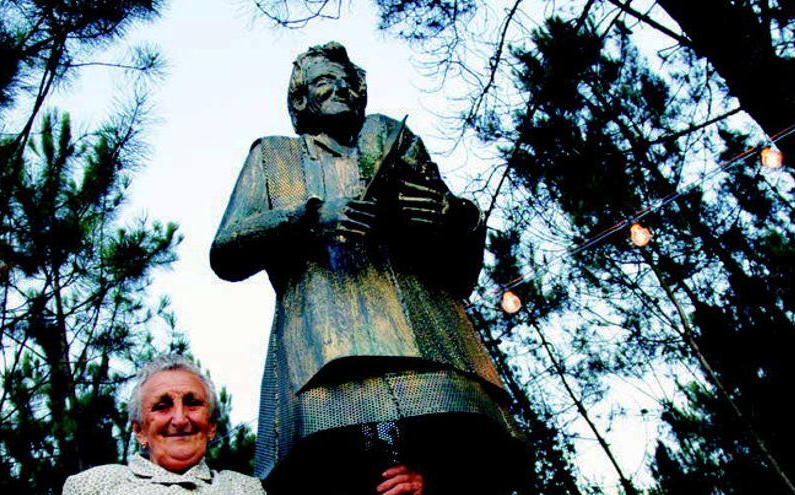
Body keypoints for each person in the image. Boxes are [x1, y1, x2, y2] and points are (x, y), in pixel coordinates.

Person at [210, 42, 528, 495]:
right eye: (324, 82)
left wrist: (456, 218)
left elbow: (460, 273)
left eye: (347, 80)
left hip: (434, 349)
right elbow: (225, 252)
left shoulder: (393, 141)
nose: (340, 87)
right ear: (301, 100)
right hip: (322, 361)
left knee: (465, 465)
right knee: (335, 476)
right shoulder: (274, 157)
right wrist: (309, 217)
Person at [62, 354, 423, 495]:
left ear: (212, 426)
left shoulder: (248, 490)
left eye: (192, 403)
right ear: (139, 429)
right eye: (161, 406)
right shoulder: (96, 486)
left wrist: (418, 489)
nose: (179, 418)